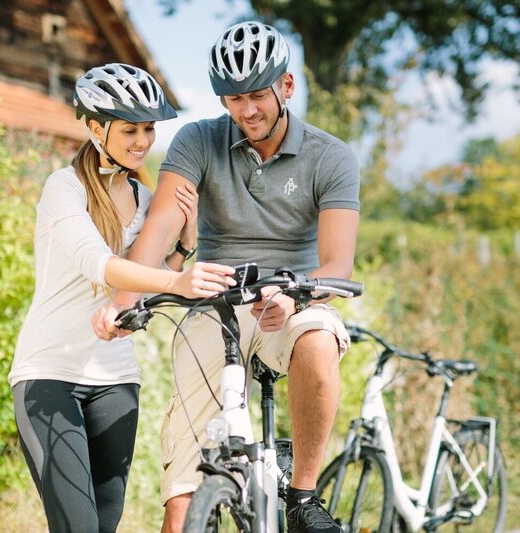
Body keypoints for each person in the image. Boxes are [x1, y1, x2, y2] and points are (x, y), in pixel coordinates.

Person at [94, 22, 360, 533]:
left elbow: (337, 263)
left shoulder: (330, 156)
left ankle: (303, 497)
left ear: (286, 86)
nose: (248, 111)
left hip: (294, 300)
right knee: (182, 498)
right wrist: (123, 300)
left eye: (258, 95)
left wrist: (297, 297)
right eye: (235, 99)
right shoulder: (199, 140)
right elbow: (161, 225)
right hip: (215, 304)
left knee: (319, 342)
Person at [9, 63, 235, 533]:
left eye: (149, 129)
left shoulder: (146, 199)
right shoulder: (64, 188)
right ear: (96, 129)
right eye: (129, 129)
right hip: (49, 374)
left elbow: (137, 289)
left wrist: (184, 248)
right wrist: (178, 282)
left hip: (116, 380)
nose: (142, 141)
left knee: (105, 524)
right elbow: (99, 264)